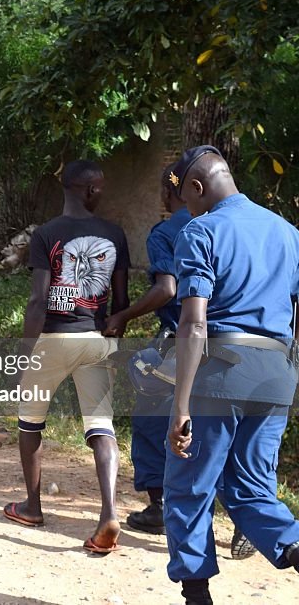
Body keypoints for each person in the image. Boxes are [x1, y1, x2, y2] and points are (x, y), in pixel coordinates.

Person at [164, 146, 299, 605]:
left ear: (197, 188)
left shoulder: (200, 230)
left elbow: (194, 323)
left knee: (189, 483)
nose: (186, 207)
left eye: (186, 197)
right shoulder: (287, 232)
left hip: (221, 373)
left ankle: (196, 596)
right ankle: (295, 545)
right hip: (277, 376)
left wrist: (180, 405)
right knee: (252, 488)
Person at [104, 167, 255, 559]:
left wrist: (123, 316)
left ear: (172, 193)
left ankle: (160, 506)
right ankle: (248, 518)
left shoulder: (170, 231)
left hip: (185, 340)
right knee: (233, 434)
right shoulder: (241, 226)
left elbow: (167, 289)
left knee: (152, 419)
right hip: (243, 353)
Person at [2, 160, 130, 554]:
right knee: (101, 426)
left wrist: (25, 354)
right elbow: (121, 300)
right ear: (89, 190)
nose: (103, 192)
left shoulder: (47, 234)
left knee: (30, 420)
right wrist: (114, 330)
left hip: (55, 339)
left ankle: (32, 506)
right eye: (101, 186)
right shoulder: (114, 234)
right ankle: (109, 512)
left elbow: (38, 299)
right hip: (98, 339)